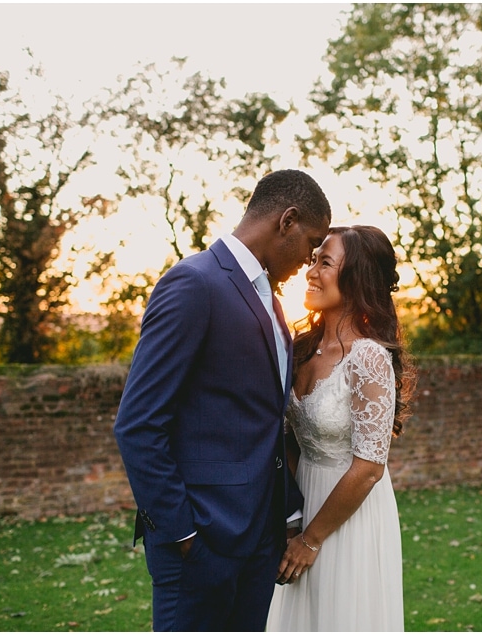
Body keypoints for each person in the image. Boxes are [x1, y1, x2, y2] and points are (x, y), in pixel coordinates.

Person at [113, 169, 332, 632]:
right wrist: (182, 532)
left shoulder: (272, 302)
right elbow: (138, 423)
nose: (309, 262)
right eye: (311, 244)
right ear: (286, 221)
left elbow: (262, 420)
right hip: (201, 541)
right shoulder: (195, 283)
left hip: (258, 543)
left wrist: (286, 514)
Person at [266, 225, 415, 631]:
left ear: (357, 280)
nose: (311, 270)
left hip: (350, 515)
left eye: (325, 262)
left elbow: (369, 467)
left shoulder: (367, 357)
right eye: (313, 260)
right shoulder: (301, 348)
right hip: (305, 503)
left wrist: (311, 539)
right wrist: (292, 519)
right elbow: (290, 442)